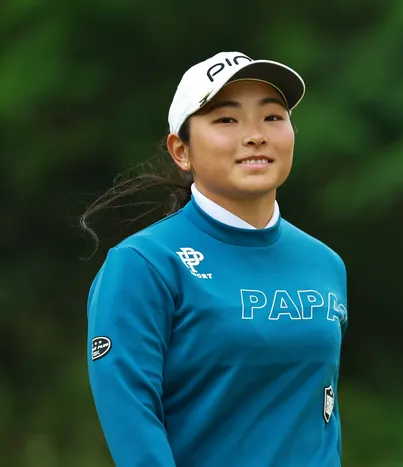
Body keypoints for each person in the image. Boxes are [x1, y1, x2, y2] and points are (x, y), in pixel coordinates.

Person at [82, 51, 349, 467]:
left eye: (272, 117)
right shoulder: (144, 264)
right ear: (181, 150)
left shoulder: (325, 263)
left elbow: (322, 417)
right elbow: (133, 425)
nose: (256, 135)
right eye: (226, 120)